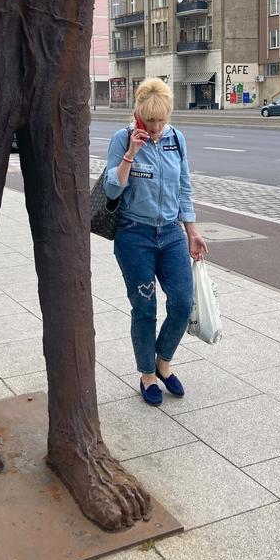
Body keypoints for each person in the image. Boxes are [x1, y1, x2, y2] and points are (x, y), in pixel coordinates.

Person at [104, 78, 208, 406]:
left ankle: (164, 361)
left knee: (181, 302)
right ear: (138, 113)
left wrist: (192, 230)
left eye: (162, 119)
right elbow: (111, 189)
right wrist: (131, 154)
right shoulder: (123, 139)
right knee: (145, 307)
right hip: (135, 235)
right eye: (150, 120)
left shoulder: (176, 139)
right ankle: (147, 373)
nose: (157, 127)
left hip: (172, 234)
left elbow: (184, 187)